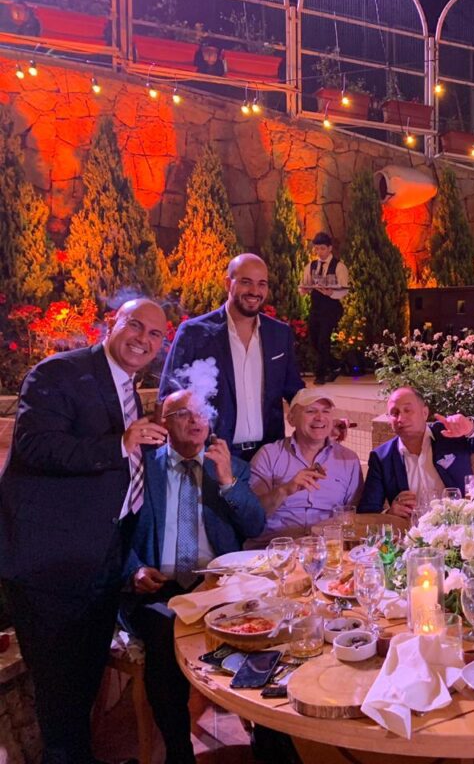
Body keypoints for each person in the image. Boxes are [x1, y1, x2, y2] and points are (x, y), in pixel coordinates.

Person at [0, 299, 169, 763]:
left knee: (82, 686)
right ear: (113, 324)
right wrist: (120, 442)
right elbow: (35, 446)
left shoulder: (129, 388)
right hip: (50, 565)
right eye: (136, 325)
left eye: (156, 334)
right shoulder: (59, 373)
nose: (144, 339)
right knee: (60, 695)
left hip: (100, 559)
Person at [122, 389, 265, 764]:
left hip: (218, 585)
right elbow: (115, 531)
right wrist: (134, 567)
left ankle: (269, 741)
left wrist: (228, 481)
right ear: (163, 422)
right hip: (158, 586)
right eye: (184, 413)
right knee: (164, 630)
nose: (196, 419)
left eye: (202, 412)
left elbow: (254, 524)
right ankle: (179, 751)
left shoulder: (230, 465)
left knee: (268, 631)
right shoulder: (142, 466)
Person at [160, 253, 305, 461]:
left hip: (268, 458)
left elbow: (295, 391)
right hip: (212, 456)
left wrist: (321, 416)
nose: (255, 291)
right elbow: (169, 395)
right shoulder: (194, 333)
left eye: (262, 284)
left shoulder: (279, 334)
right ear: (228, 283)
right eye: (246, 282)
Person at [358, 386, 474, 517]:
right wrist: (390, 513)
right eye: (394, 413)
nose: (401, 418)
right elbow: (367, 511)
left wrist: (470, 427)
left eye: (407, 410)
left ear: (424, 413)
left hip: (460, 529)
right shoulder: (382, 457)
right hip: (413, 538)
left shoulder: (448, 434)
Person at [249, 388, 363, 537]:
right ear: (291, 419)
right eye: (310, 411)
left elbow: (353, 515)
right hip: (276, 547)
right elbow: (251, 516)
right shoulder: (268, 455)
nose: (320, 417)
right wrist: (284, 490)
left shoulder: (349, 460)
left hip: (328, 548)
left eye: (326, 411)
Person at [299, 232, 349, 385]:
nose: (319, 252)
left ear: (329, 248)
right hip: (316, 307)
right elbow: (302, 285)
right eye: (317, 249)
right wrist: (304, 290)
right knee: (314, 340)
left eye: (322, 249)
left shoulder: (339, 266)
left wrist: (331, 292)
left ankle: (320, 375)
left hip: (332, 307)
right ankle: (335, 365)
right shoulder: (311, 266)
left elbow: (345, 289)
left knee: (323, 340)